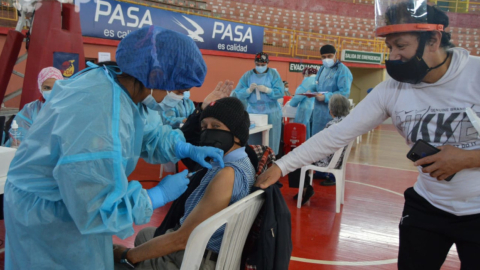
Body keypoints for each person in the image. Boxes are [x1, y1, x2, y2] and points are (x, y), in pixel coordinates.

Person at [257, 3, 480, 268]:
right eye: (390, 48)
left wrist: (469, 159)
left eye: (401, 45)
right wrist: (282, 166)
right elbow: (337, 134)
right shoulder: (392, 90)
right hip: (427, 207)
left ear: (433, 39)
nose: (394, 56)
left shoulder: (474, 75)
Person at [4, 26, 227, 270]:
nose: (181, 99)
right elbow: (95, 206)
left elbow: (148, 135)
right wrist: (155, 197)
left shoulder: (126, 90)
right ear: (154, 75)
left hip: (70, 206)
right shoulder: (97, 109)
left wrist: (184, 148)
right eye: (179, 91)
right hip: (49, 219)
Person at [113, 97, 255, 270]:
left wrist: (127, 255)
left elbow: (183, 238)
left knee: (116, 262)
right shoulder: (236, 162)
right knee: (145, 235)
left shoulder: (227, 174)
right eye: (204, 127)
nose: (208, 132)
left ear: (237, 133)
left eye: (216, 127)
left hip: (195, 257)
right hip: (198, 248)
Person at [234, 52, 284, 154]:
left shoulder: (273, 74)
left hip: (271, 112)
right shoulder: (248, 75)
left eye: (263, 65)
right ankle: (254, 161)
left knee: (270, 142)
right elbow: (238, 93)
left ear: (267, 63)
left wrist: (267, 90)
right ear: (254, 63)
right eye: (258, 64)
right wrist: (248, 90)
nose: (260, 67)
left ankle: (270, 162)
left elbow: (280, 92)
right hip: (253, 112)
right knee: (253, 141)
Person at [6, 67, 63, 146]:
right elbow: (19, 135)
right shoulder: (30, 109)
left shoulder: (68, 107)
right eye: (47, 88)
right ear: (40, 87)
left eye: (55, 87)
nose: (51, 91)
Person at [312, 44, 353, 135]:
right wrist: (310, 91)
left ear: (335, 54)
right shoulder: (322, 69)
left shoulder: (343, 70)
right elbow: (317, 85)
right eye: (323, 57)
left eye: (329, 56)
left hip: (333, 113)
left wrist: (326, 97)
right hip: (318, 114)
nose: (326, 59)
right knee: (316, 141)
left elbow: (344, 93)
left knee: (330, 142)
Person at [289, 67, 317, 139]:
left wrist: (292, 103)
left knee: (302, 133)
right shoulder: (318, 80)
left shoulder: (308, 80)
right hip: (316, 109)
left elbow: (299, 95)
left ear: (306, 74)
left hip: (305, 109)